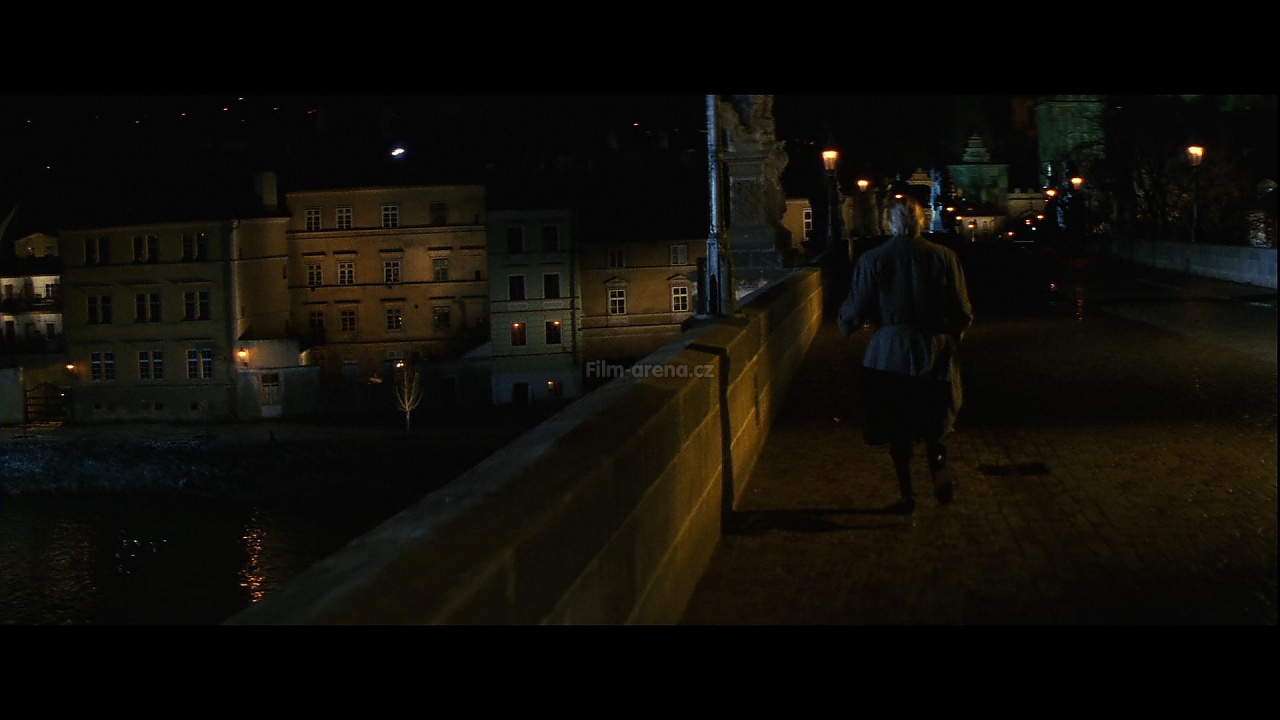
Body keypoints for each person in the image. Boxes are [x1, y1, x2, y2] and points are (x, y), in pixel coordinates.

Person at [837, 196, 973, 514]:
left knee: (897, 425)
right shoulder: (944, 257)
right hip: (933, 346)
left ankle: (908, 497)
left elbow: (856, 308)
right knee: (934, 419)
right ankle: (938, 464)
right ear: (921, 221)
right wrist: (950, 338)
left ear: (890, 223)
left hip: (891, 350)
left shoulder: (873, 259)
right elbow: (963, 311)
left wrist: (845, 324)